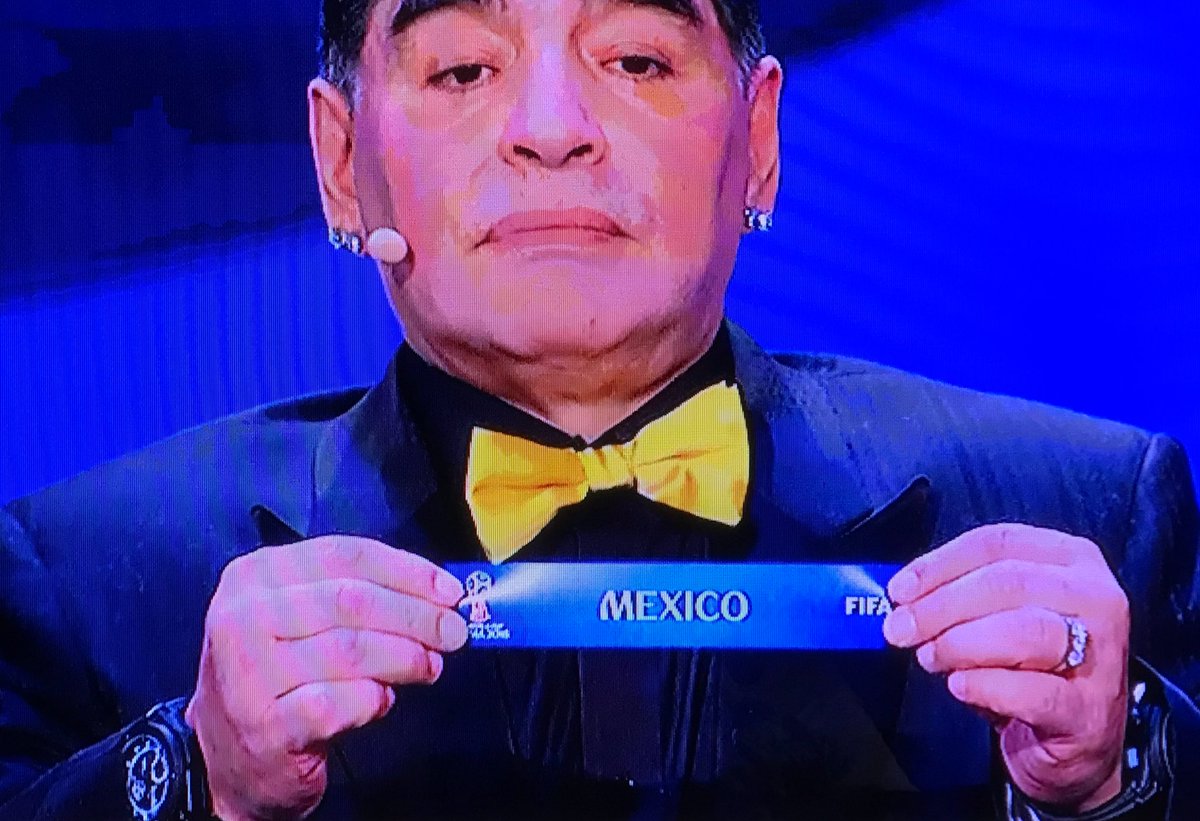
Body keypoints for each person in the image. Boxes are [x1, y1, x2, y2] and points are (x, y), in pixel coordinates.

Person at [1, 0, 1197, 819]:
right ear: (339, 159)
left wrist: (1115, 773)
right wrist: (198, 777)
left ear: (760, 139)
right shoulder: (87, 576)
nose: (552, 129)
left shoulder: (1086, 509)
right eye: (465, 70)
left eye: (635, 61)